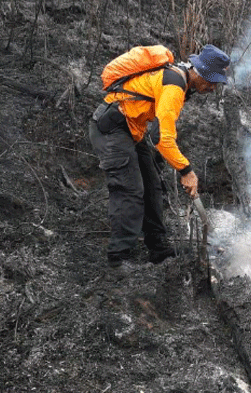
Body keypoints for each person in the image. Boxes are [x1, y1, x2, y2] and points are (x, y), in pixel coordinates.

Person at [89, 44, 230, 269]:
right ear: (198, 72)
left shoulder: (180, 81)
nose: (213, 87)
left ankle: (158, 247)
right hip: (112, 128)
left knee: (152, 185)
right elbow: (162, 139)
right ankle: (119, 258)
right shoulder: (175, 86)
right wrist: (186, 171)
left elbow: (157, 132)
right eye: (211, 81)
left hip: (132, 129)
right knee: (130, 189)